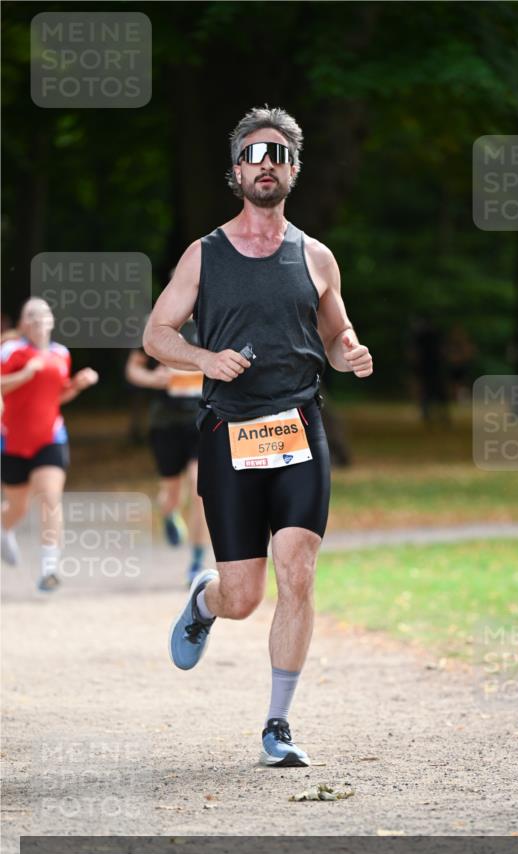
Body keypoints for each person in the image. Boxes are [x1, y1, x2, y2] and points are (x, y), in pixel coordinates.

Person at [143, 106, 373, 767]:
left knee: (296, 573)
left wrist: (351, 353)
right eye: (253, 154)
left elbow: (336, 337)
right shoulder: (204, 255)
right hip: (228, 431)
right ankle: (205, 601)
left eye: (277, 154)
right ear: (236, 170)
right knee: (243, 596)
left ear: (293, 170)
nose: (265, 163)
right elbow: (157, 334)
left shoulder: (316, 256)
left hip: (300, 427)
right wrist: (206, 360)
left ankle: (278, 725)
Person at [1, 297, 98, 590]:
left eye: (44, 313)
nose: (39, 318)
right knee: (18, 507)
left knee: (50, 497)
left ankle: (49, 568)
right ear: (24, 323)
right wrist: (25, 374)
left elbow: (57, 396)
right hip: (12, 441)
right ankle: (4, 529)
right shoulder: (11, 351)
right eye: (31, 314)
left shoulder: (61, 354)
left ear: (52, 321)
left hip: (50, 437)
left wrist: (76, 385)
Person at [125, 316, 209, 584]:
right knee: (171, 493)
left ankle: (197, 560)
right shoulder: (159, 323)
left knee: (200, 488)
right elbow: (133, 369)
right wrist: (153, 379)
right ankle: (169, 513)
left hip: (202, 419)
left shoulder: (214, 319)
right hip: (165, 423)